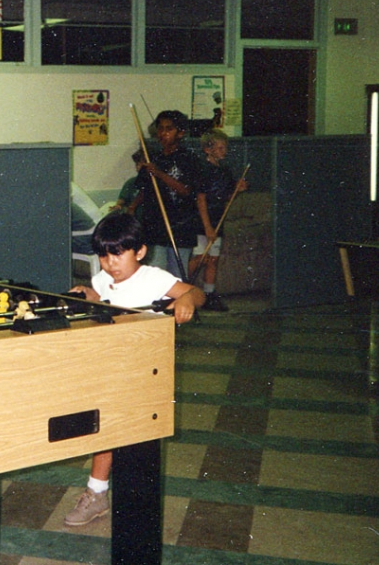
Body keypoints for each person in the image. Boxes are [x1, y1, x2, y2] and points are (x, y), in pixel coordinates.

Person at [65, 211, 204, 526]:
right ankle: (98, 493)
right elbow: (104, 301)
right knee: (107, 429)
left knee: (122, 435)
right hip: (111, 363)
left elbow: (196, 293)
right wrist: (88, 294)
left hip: (143, 369)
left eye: (118, 253)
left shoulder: (152, 277)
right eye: (103, 255)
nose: (110, 262)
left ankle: (100, 493)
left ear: (139, 251)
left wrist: (187, 301)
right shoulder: (103, 279)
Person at [126, 110, 202, 280]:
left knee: (177, 277)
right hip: (155, 226)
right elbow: (144, 189)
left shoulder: (189, 159)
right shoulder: (153, 158)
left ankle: (176, 307)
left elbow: (186, 190)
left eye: (169, 129)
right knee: (156, 275)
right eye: (160, 129)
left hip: (181, 226)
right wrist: (131, 208)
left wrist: (159, 173)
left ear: (180, 133)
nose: (163, 133)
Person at [188, 129, 248, 311]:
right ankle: (181, 289)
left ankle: (209, 294)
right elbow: (201, 198)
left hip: (217, 220)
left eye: (225, 147)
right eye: (220, 147)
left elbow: (227, 199)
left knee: (213, 259)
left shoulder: (225, 170)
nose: (224, 151)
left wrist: (237, 190)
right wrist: (207, 227)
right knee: (200, 257)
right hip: (201, 221)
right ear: (208, 149)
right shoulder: (202, 169)